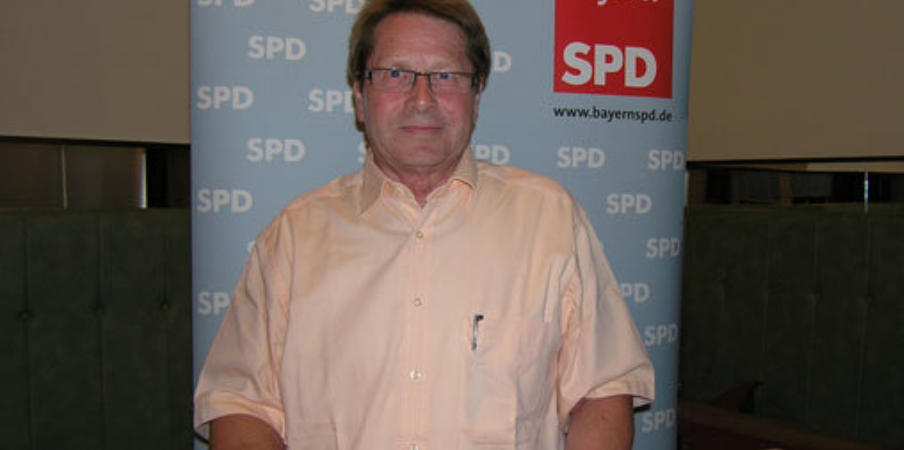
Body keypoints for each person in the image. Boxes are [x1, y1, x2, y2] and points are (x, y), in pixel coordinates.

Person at [193, 0, 654, 448]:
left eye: (445, 76)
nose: (421, 99)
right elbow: (240, 405)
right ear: (359, 97)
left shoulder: (550, 220)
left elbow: (602, 391)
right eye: (395, 74)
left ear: (476, 97)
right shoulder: (294, 238)